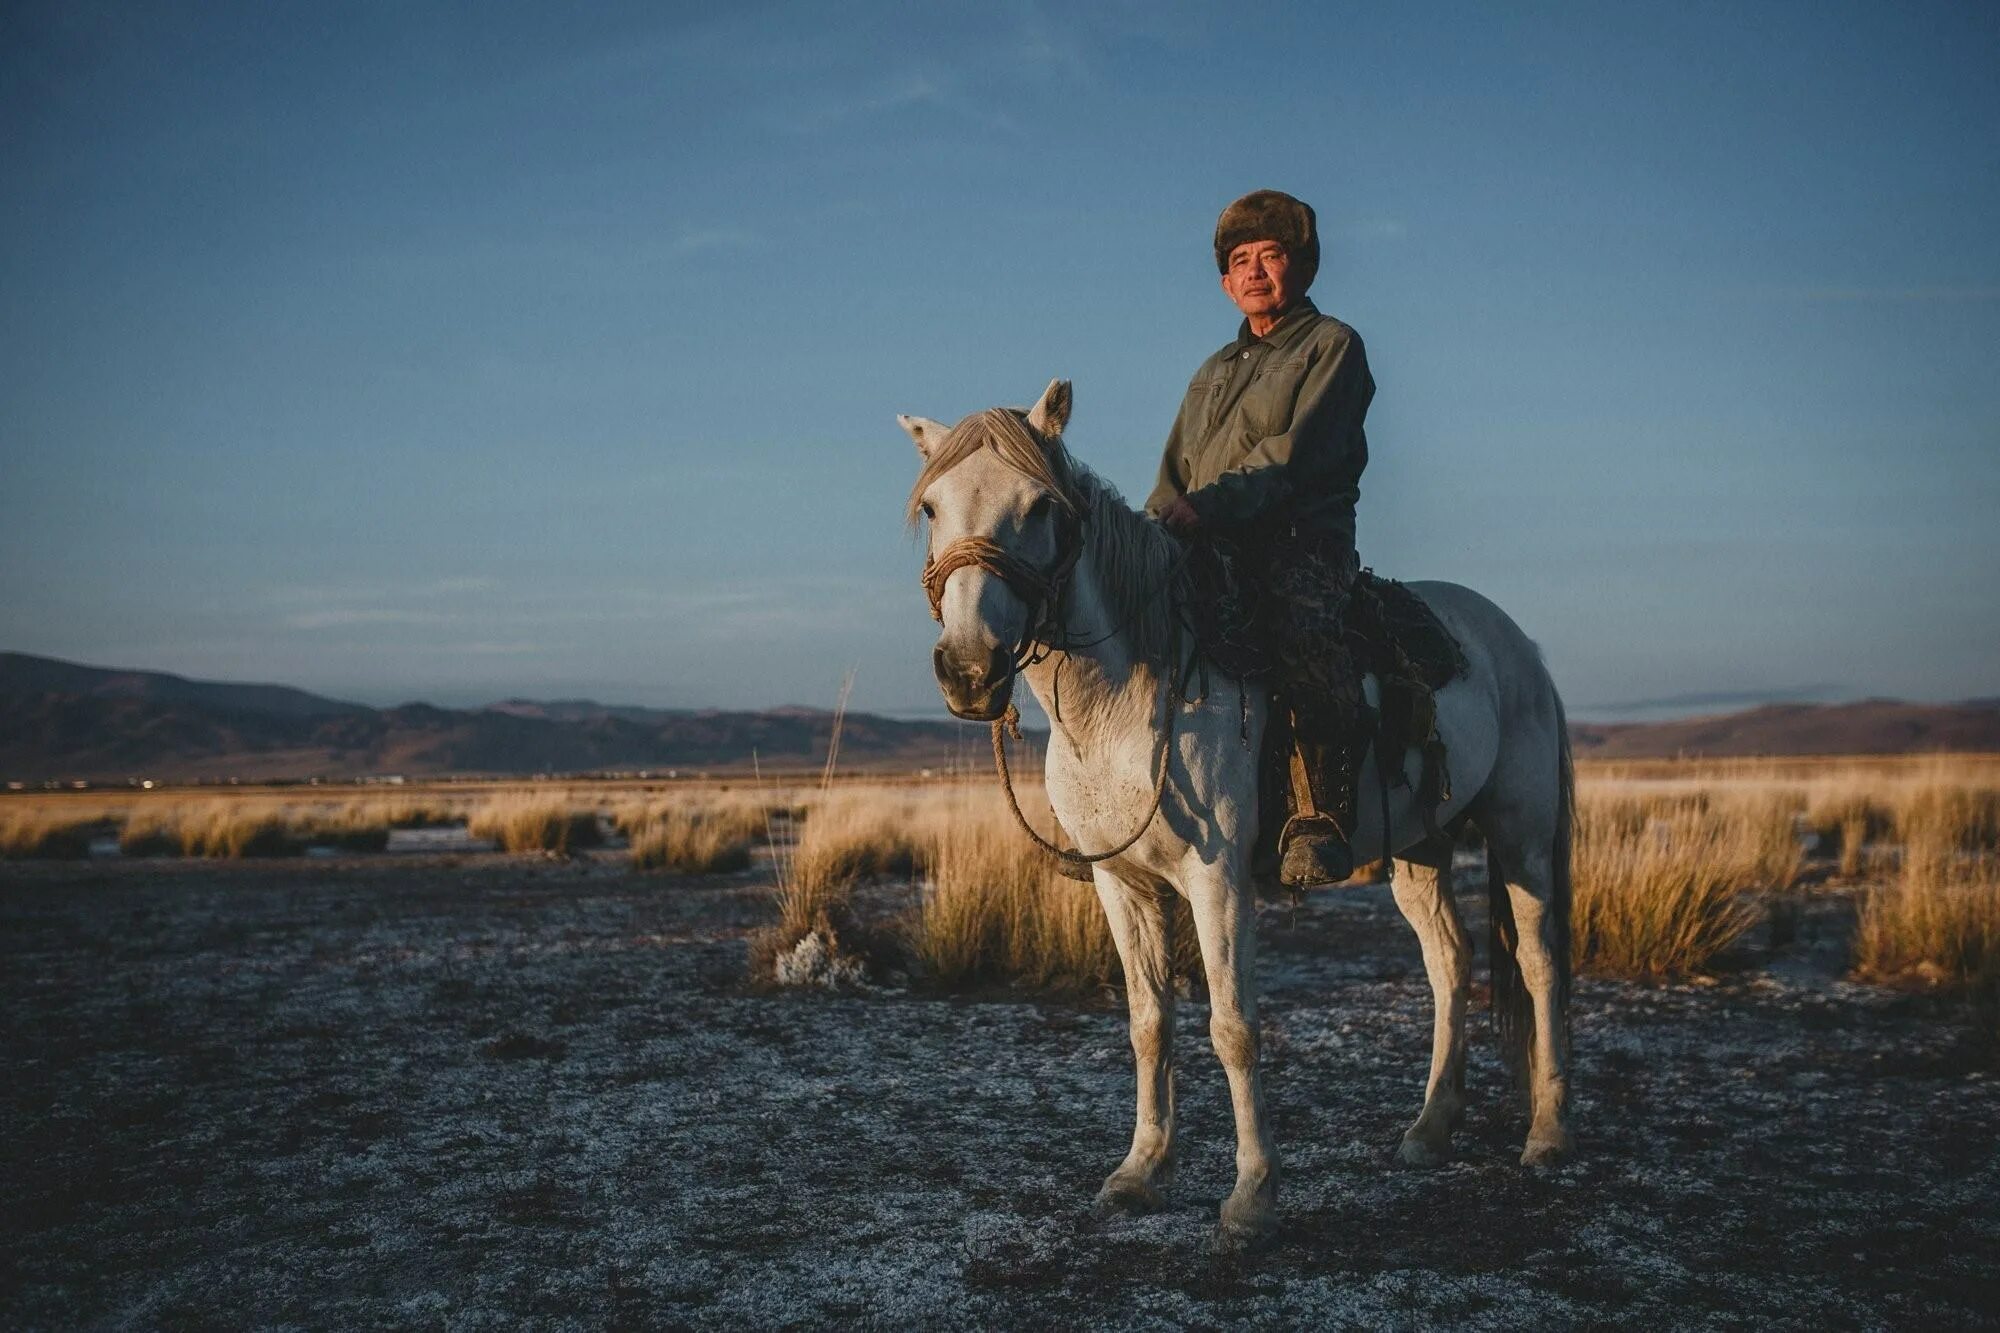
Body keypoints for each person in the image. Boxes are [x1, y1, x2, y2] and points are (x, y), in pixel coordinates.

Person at [1145, 189, 1375, 887]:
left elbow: (1290, 453)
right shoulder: (1211, 371)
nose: (1253, 272)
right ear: (1224, 283)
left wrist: (1209, 507)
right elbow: (1174, 471)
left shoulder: (1332, 346)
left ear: (1301, 267)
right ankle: (1125, 807)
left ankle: (1322, 816)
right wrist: (1150, 532)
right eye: (1239, 262)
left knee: (1298, 629)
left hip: (1298, 540)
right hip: (1205, 537)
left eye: (1269, 256)